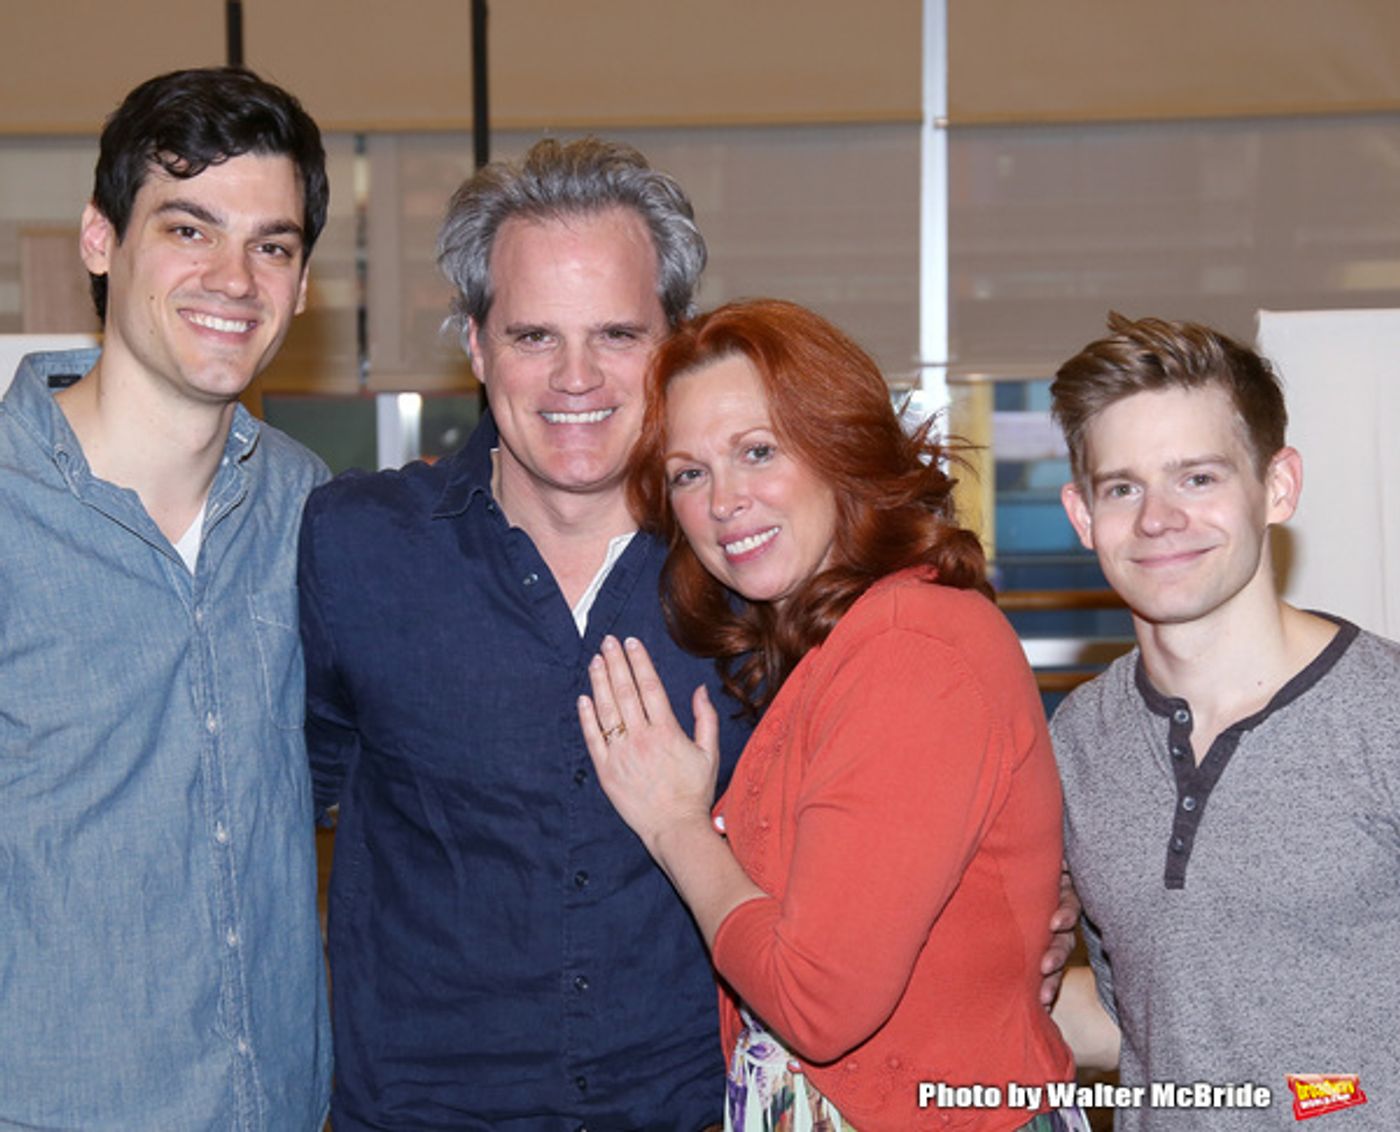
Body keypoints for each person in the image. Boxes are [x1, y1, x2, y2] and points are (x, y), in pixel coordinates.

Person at [298, 137, 754, 1130]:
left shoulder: (755, 573)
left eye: (617, 334)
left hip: (690, 1109)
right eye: (533, 335)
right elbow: (270, 809)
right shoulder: (354, 548)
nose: (575, 377)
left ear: (675, 339)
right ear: (474, 343)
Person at [579, 298, 1083, 1131]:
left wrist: (675, 825)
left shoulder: (912, 643)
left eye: (757, 451)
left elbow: (818, 1004)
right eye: (689, 474)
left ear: (839, 445)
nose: (724, 500)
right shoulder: (838, 643)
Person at [0, 68, 332, 1129]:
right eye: (189, 229)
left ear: (304, 282)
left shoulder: (310, 511)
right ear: (99, 240)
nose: (234, 278)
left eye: (272, 245)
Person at [1047, 313, 1400, 1130]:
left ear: (1277, 487)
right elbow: (1144, 1017)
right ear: (1080, 514)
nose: (1158, 519)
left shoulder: (1384, 718)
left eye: (1197, 478)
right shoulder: (1081, 742)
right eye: (1122, 487)